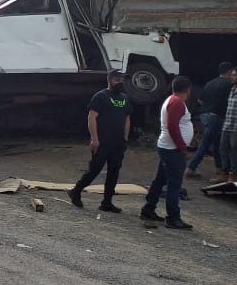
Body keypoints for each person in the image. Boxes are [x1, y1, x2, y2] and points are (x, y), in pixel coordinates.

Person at [67, 69, 132, 213]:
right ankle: (76, 191)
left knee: (114, 172)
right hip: (102, 142)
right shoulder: (101, 96)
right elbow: (92, 118)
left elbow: (127, 119)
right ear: (109, 81)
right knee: (94, 171)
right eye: (117, 80)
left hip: (118, 143)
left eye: (122, 80)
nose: (120, 83)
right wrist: (94, 139)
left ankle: (107, 202)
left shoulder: (125, 98)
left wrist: (125, 138)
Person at [141, 76, 194, 230]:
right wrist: (182, 146)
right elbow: (172, 126)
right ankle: (173, 217)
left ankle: (149, 209)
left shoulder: (171, 100)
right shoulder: (177, 102)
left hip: (168, 146)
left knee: (160, 180)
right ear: (188, 90)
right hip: (173, 149)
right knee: (174, 184)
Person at [187, 62, 234, 178]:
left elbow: (200, 100)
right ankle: (191, 168)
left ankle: (219, 167)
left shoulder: (210, 83)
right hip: (217, 116)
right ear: (228, 72)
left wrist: (209, 106)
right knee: (206, 143)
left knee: (217, 142)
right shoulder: (229, 85)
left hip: (204, 115)